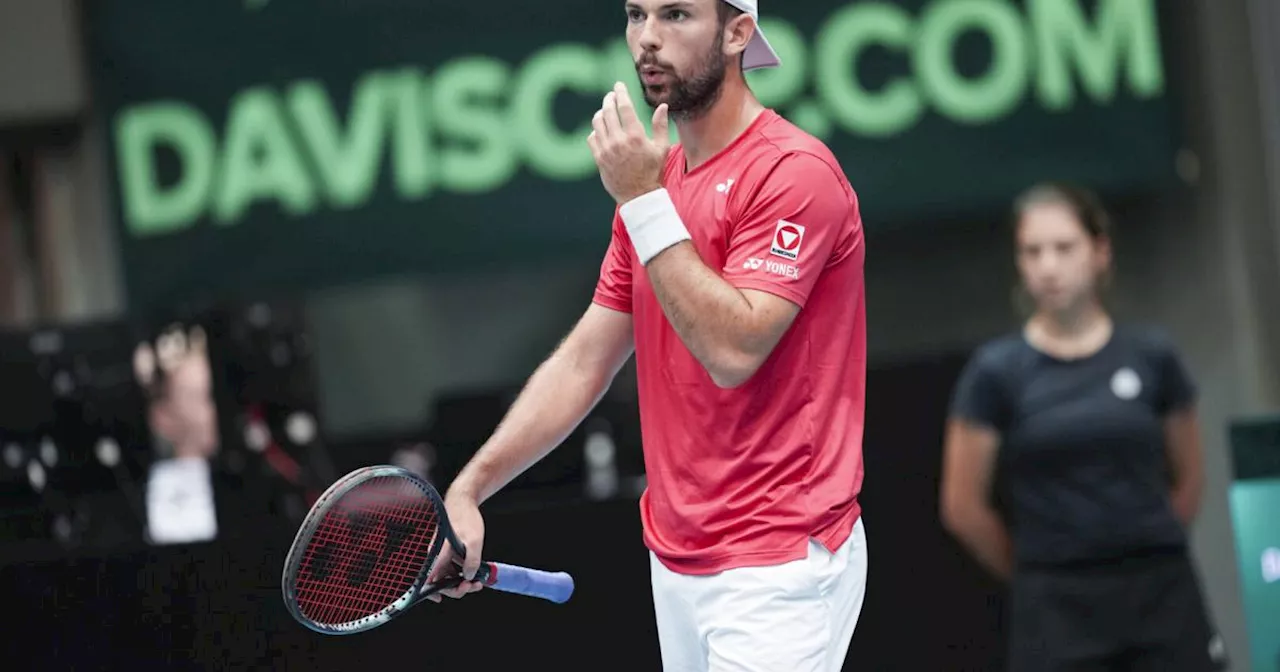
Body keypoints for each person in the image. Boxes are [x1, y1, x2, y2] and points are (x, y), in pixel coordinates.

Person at [427, 0, 869, 669]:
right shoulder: (658, 186)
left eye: (676, 15)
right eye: (636, 15)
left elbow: (732, 351)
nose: (648, 40)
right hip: (678, 561)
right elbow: (585, 362)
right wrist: (469, 488)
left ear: (738, 33)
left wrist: (641, 202)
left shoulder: (794, 174)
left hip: (780, 565)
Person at [939, 183, 1226, 671]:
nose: (1048, 266)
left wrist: (1145, 542)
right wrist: (1040, 570)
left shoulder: (1152, 357)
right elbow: (963, 507)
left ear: (1099, 252)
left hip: (1162, 593)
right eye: (1032, 252)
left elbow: (1190, 476)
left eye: (1064, 248)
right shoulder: (997, 372)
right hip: (1055, 606)